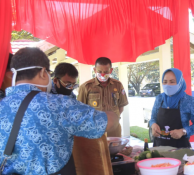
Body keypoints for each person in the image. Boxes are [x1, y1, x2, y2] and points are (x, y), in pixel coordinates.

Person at [0, 47, 119, 175]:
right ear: (42, 72)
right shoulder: (58, 104)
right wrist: (114, 115)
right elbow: (107, 122)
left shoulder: (2, 105)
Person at [149, 68, 194, 148]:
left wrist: (183, 131)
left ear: (180, 82)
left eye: (172, 82)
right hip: (159, 149)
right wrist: (153, 125)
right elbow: (153, 118)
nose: (168, 85)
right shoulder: (159, 99)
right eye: (165, 81)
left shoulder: (189, 101)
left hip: (180, 150)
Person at [77, 57, 128, 137]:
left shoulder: (118, 85)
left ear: (111, 70)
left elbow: (121, 105)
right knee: (97, 150)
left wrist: (113, 120)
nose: (103, 74)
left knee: (116, 149)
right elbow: (80, 110)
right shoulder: (86, 87)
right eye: (100, 71)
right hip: (94, 129)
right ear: (95, 70)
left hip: (114, 129)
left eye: (106, 71)